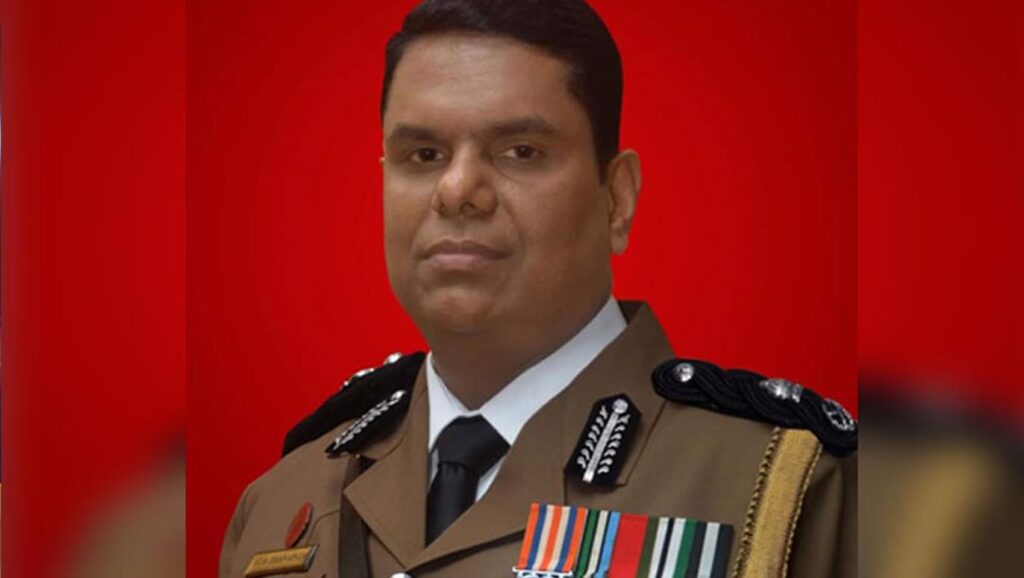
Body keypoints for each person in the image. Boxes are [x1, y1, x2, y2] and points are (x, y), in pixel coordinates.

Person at [220, 1, 856, 577]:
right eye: (424, 155)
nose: (456, 190)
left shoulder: (786, 488)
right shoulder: (282, 500)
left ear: (617, 199)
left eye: (520, 151)